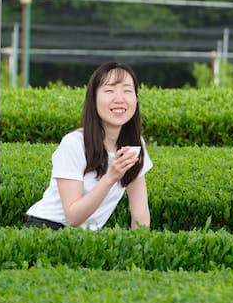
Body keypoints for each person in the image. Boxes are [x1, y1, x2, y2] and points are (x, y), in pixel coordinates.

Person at [20, 62, 153, 230]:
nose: (119, 99)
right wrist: (111, 177)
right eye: (109, 91)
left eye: (127, 91)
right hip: (46, 230)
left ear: (136, 99)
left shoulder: (135, 144)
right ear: (94, 98)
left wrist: (140, 250)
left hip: (84, 239)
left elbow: (140, 214)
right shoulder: (74, 143)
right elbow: (73, 217)